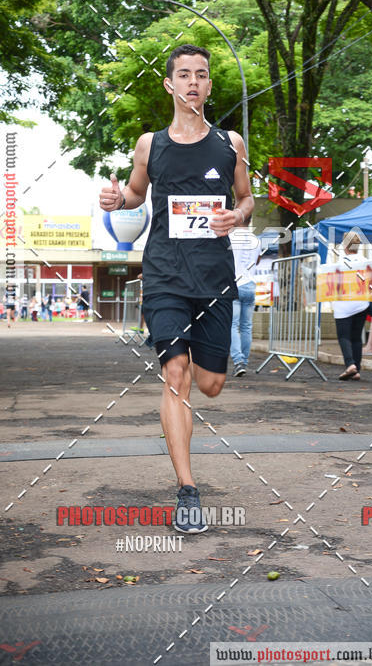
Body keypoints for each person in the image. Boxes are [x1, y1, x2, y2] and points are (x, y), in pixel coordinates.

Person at [99, 43, 253, 534]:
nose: (192, 82)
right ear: (170, 84)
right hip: (165, 273)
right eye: (183, 74)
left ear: (209, 85)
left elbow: (247, 199)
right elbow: (135, 193)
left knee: (210, 385)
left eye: (200, 75)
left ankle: (189, 473)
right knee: (175, 374)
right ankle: (187, 491)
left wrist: (236, 216)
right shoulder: (150, 144)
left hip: (214, 277)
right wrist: (117, 199)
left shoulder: (230, 143)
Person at [334, 232, 370, 381]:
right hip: (361, 302)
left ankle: (350, 364)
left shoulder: (340, 262)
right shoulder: (365, 261)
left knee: (344, 336)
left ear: (345, 246)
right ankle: (357, 370)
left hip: (344, 303)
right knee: (356, 337)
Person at [229, 215, 260, 376]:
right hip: (250, 284)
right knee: (246, 326)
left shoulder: (231, 237)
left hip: (234, 284)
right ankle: (244, 361)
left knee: (233, 325)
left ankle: (238, 361)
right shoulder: (256, 240)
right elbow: (257, 260)